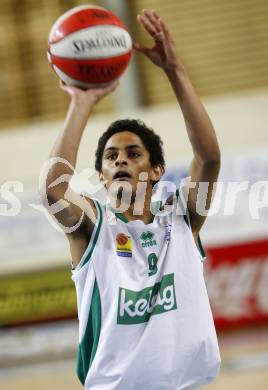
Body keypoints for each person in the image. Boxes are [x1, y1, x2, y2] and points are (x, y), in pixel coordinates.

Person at [42, 9, 221, 390]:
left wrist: (175, 71)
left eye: (134, 153)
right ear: (102, 176)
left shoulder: (181, 217)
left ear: (157, 170)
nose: (121, 158)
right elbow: (55, 190)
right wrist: (82, 102)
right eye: (111, 157)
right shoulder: (94, 227)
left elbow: (208, 159)